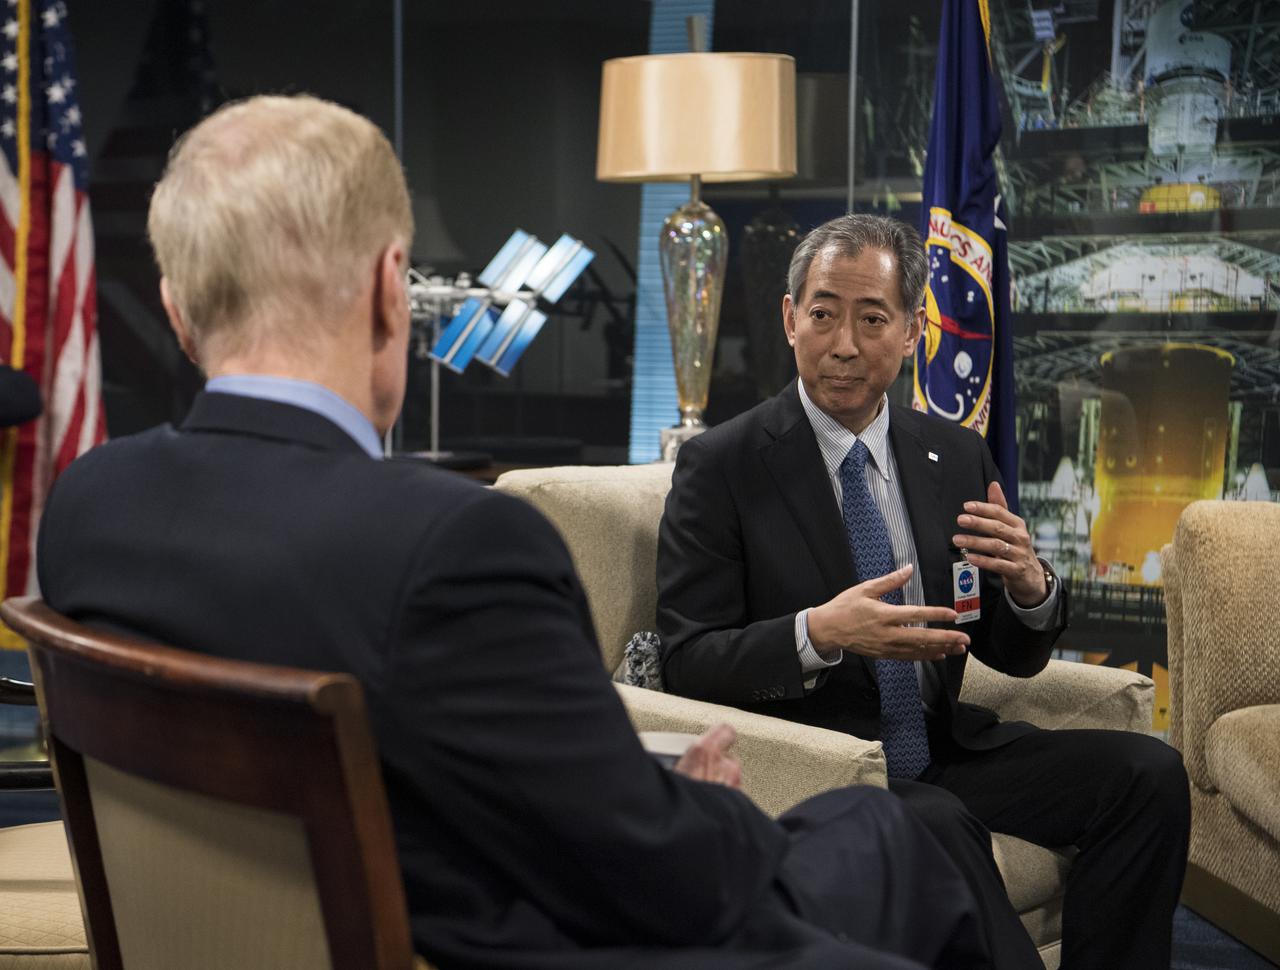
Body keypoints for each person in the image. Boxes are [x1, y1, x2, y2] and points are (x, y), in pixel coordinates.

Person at [37, 95, 1005, 970]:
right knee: (885, 842)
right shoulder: (456, 545)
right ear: (388, 289)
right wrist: (705, 801)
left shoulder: (87, 508)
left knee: (871, 826)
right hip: (510, 940)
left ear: (172, 309)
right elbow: (668, 875)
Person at [656, 213, 1191, 970]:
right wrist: (821, 632)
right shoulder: (722, 466)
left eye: (872, 319)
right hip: (828, 760)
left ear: (912, 332)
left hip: (945, 746)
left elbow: (1005, 649)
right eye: (822, 314)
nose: (843, 344)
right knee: (937, 822)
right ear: (789, 319)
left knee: (1149, 775)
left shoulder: (954, 454)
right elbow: (686, 657)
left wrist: (1031, 588)